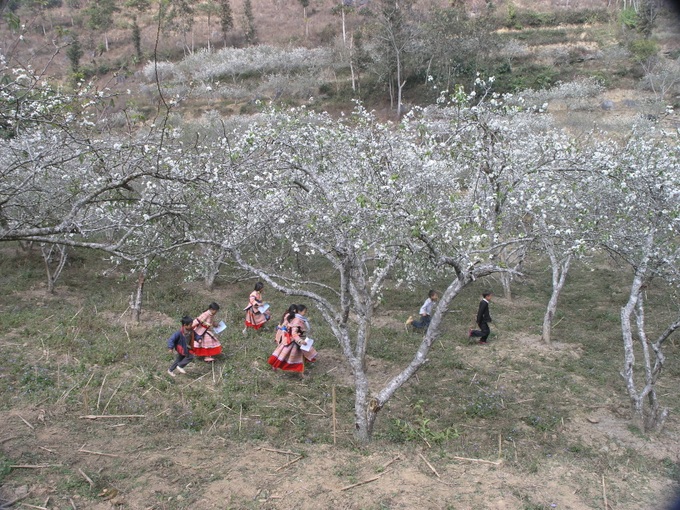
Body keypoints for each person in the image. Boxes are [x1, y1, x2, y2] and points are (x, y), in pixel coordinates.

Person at [268, 303, 315, 376]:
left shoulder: (296, 318)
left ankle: (302, 371)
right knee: (291, 356)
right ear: (299, 311)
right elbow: (294, 333)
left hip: (293, 340)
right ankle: (302, 373)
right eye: (304, 311)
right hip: (294, 342)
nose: (305, 313)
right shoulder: (297, 320)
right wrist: (300, 340)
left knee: (284, 355)